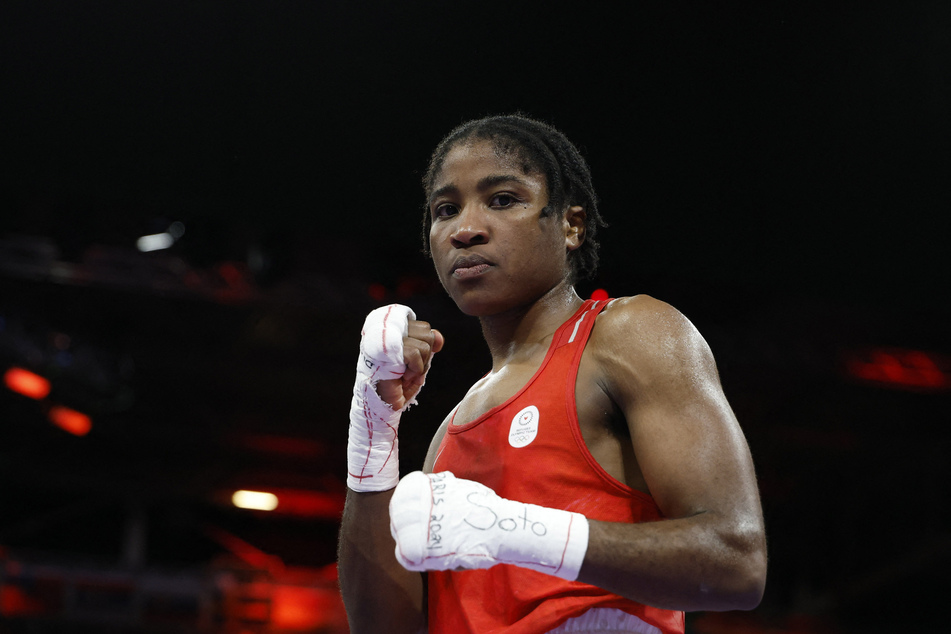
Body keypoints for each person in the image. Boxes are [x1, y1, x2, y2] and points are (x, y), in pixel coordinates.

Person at [337, 114, 767, 634]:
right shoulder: (450, 435)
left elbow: (737, 562)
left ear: (571, 225)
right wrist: (373, 427)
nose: (465, 229)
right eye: (445, 210)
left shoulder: (629, 335)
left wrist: (519, 531)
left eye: (502, 199)